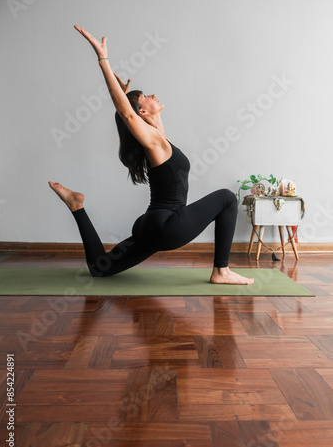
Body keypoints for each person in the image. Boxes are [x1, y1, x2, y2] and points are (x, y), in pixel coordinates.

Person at [49, 25, 254, 285]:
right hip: (166, 225)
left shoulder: (159, 137)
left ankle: (77, 206)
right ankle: (221, 271)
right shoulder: (153, 141)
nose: (153, 95)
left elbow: (132, 115)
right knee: (226, 198)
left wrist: (127, 96)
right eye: (146, 97)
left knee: (100, 268)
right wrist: (103, 59)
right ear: (141, 114)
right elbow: (126, 114)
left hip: (152, 226)